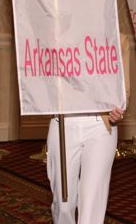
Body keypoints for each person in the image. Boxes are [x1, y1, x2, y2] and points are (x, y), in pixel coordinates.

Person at [46, 33, 130, 224]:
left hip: (101, 127)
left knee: (93, 202)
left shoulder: (118, 38)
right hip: (63, 124)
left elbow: (124, 88)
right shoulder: (58, 34)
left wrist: (119, 108)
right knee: (64, 203)